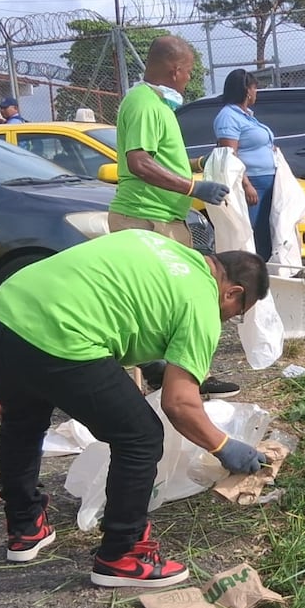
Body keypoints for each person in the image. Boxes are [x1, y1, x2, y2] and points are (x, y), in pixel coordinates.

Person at [0, 229, 272, 587]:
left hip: (0, 315)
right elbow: (179, 405)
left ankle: (24, 528)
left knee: (23, 421)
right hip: (62, 335)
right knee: (141, 437)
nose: (228, 320)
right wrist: (224, 447)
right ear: (233, 293)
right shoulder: (202, 303)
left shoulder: (156, 244)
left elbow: (113, 297)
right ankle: (123, 554)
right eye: (237, 313)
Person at [109, 35, 238, 399]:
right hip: (145, 218)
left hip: (163, 216)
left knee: (176, 297)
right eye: (190, 72)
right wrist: (193, 189)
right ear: (175, 69)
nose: (189, 79)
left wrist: (199, 165)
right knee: (162, 298)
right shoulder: (144, 104)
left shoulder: (156, 106)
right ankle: (167, 375)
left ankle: (181, 373)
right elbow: (140, 162)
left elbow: (159, 156)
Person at [214, 69, 276, 261]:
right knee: (254, 232)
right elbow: (229, 156)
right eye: (255, 88)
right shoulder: (228, 117)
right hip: (253, 183)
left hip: (267, 180)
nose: (256, 93)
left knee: (267, 231)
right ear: (247, 90)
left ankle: (268, 272)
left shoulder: (246, 115)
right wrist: (246, 184)